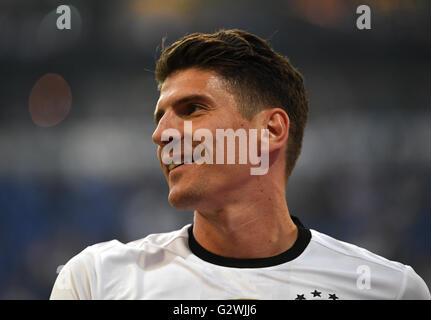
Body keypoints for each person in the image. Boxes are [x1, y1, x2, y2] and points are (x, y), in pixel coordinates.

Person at [50, 29, 430, 300]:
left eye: (191, 109)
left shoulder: (389, 290)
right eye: (160, 117)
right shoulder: (95, 281)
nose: (161, 134)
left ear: (271, 130)